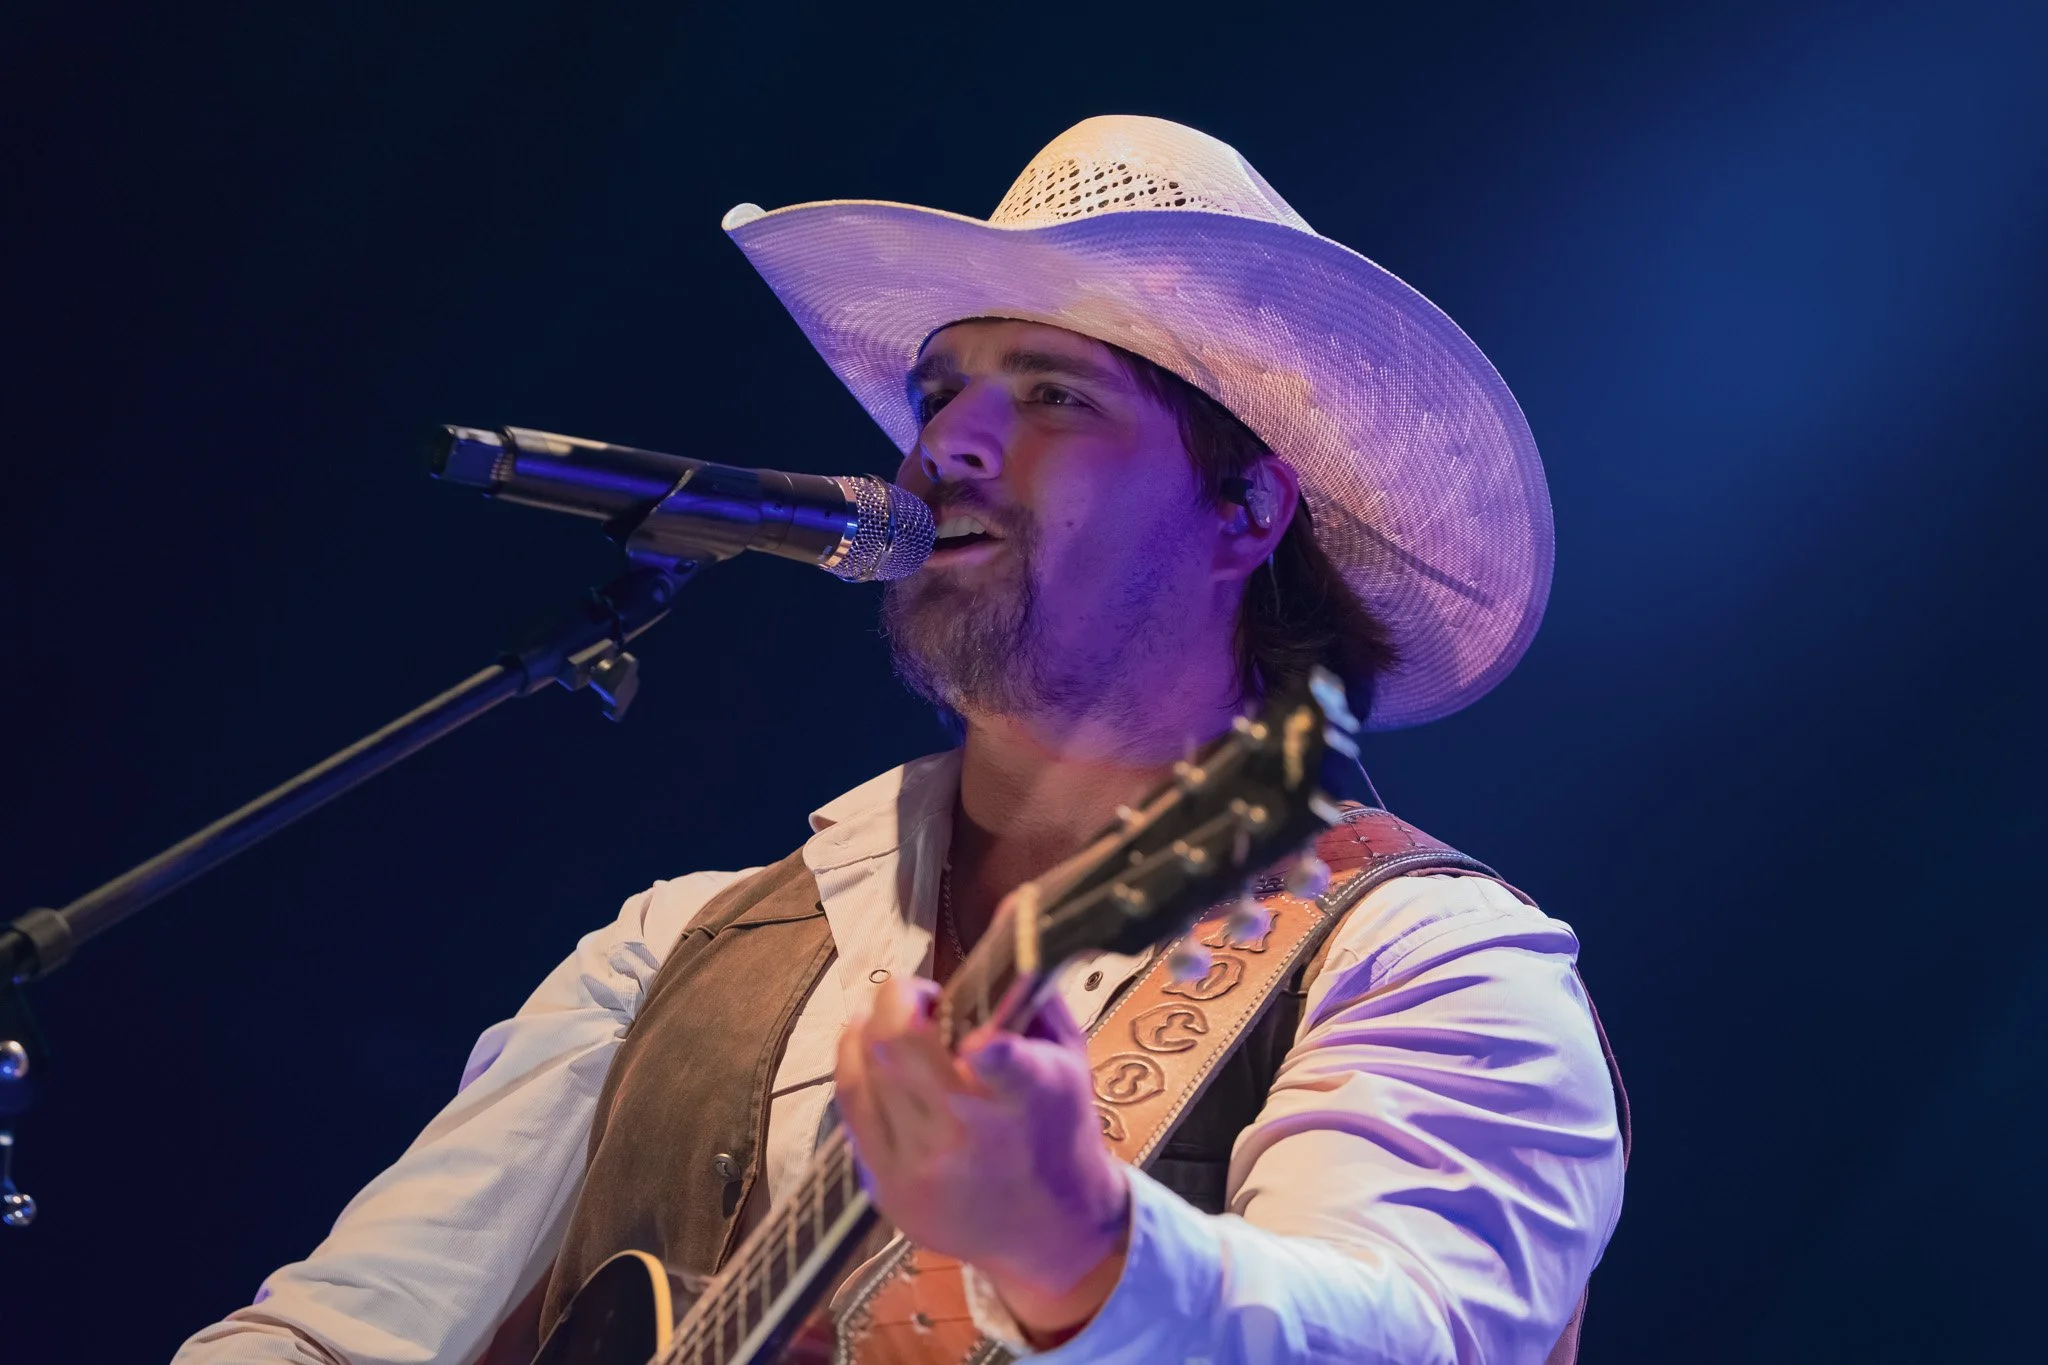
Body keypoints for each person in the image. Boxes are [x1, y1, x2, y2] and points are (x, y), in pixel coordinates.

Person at [175, 115, 1625, 1365]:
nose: (947, 445)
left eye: (1053, 394)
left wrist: (1082, 1244)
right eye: (940, 395)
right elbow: (337, 1332)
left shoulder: (1430, 962)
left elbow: (1405, 1332)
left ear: (1247, 505)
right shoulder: (673, 948)